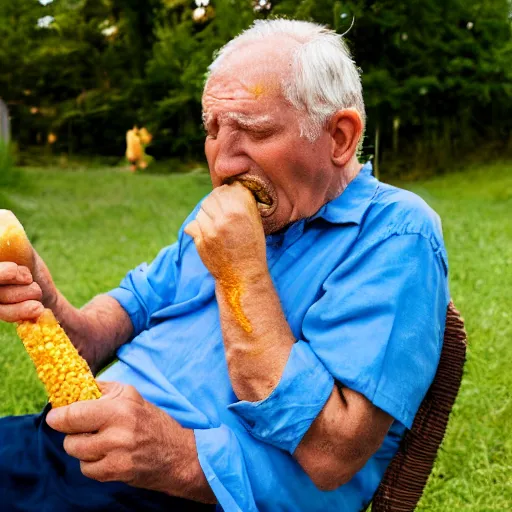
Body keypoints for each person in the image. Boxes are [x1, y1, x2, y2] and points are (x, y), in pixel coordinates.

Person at [0, 19, 449, 512]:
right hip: (67, 446)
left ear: (339, 137)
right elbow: (113, 321)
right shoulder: (223, 214)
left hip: (163, 494)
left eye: (254, 131)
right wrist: (45, 299)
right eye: (214, 130)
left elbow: (333, 454)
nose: (225, 162)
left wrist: (175, 454)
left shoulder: (396, 235)